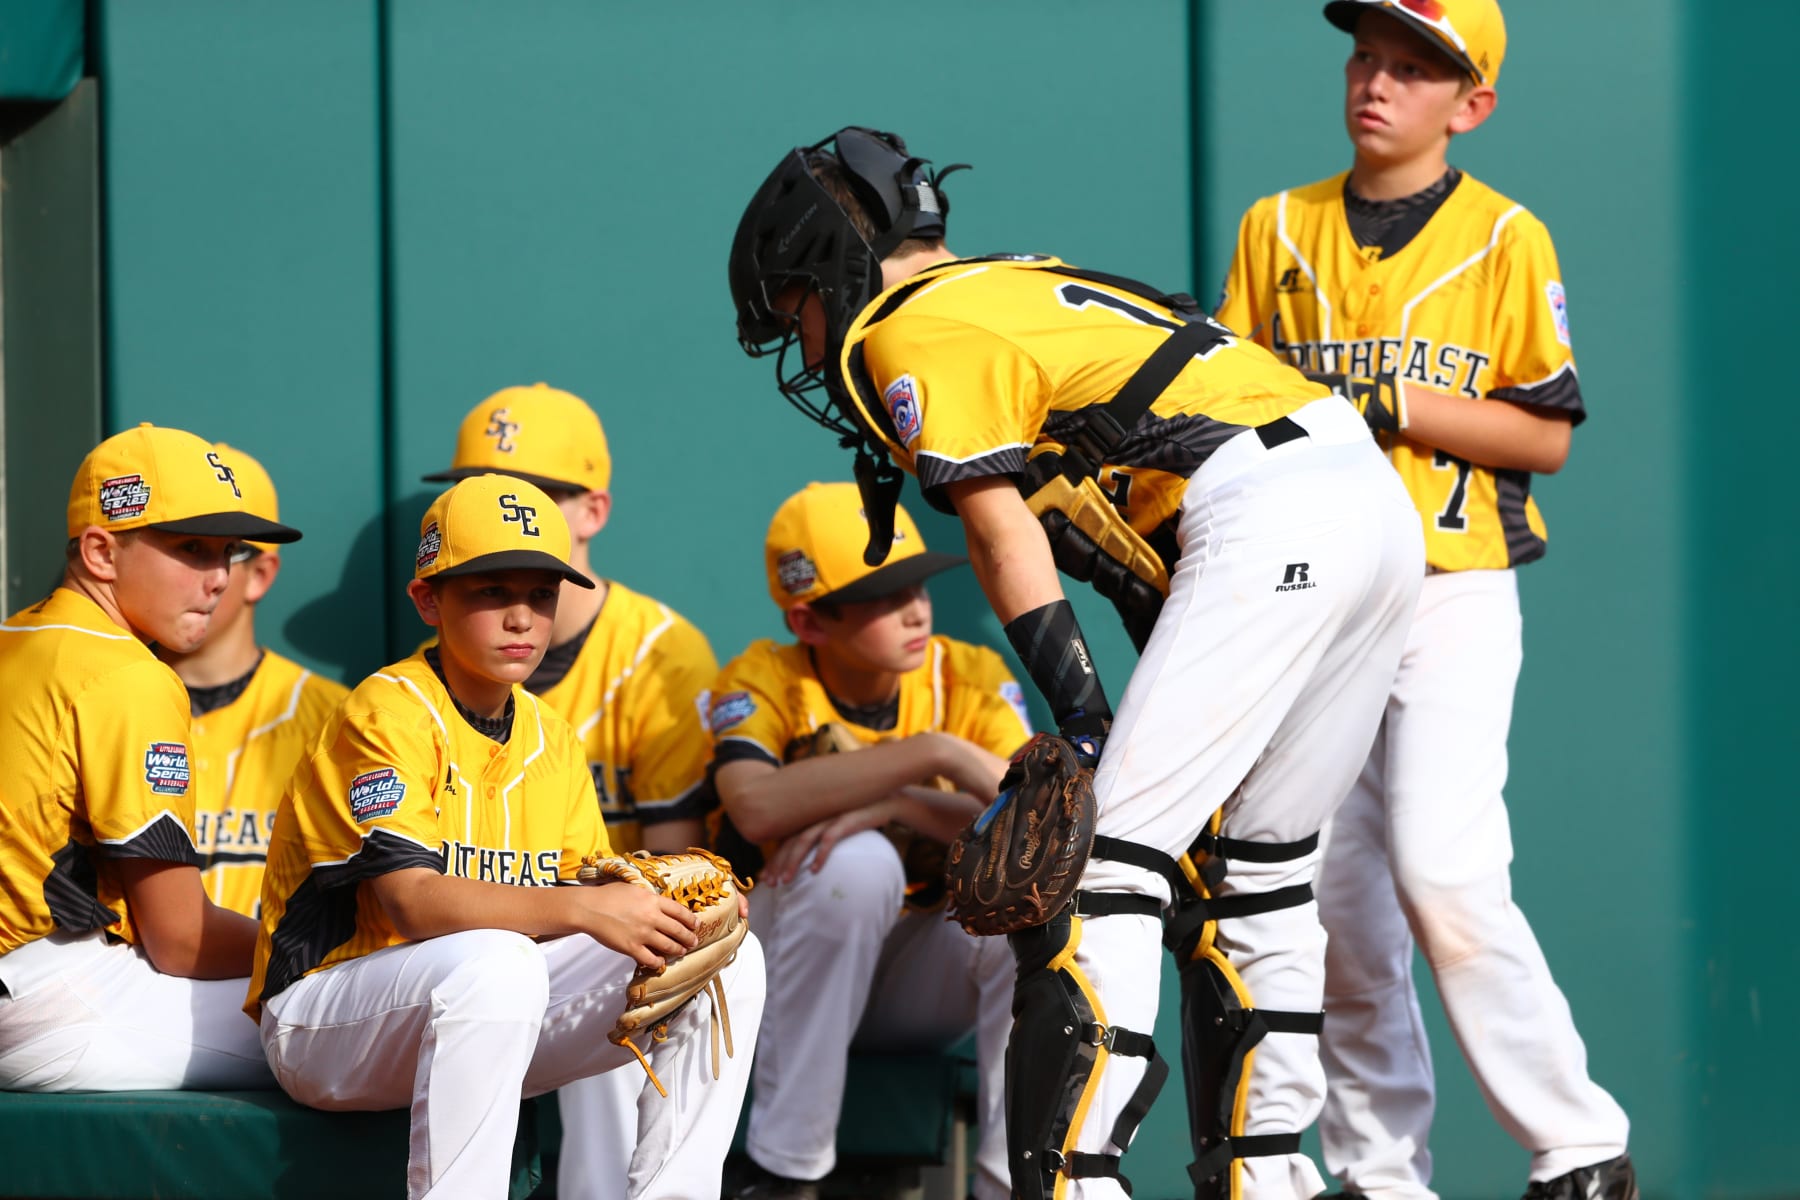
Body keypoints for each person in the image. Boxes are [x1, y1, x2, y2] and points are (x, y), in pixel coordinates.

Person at [730, 129, 1423, 1200]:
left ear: (833, 260)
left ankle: (1074, 1182)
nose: (805, 338)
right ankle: (1268, 1179)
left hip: (1264, 510)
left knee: (1097, 869)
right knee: (1256, 874)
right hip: (1369, 505)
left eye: (796, 306)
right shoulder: (1014, 288)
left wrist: (1085, 721)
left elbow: (1004, 533)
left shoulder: (902, 327)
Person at [1213, 3, 1633, 1198]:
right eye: (1367, 55)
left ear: (1471, 103)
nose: (1378, 83)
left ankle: (1580, 1141)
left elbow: (1544, 435)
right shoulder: (1274, 226)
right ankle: (1380, 1174)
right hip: (1318, 603)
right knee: (1338, 904)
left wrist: (1397, 405)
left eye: (1415, 67)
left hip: (1453, 587)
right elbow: (1228, 402)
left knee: (1445, 870)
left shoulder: (1507, 237)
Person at [245, 474, 764, 1200]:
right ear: (428, 599)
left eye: (540, 595)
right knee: (496, 961)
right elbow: (415, 906)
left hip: (481, 1008)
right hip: (328, 1014)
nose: (521, 617)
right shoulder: (386, 710)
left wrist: (671, 905)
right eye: (490, 592)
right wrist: (586, 911)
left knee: (724, 958)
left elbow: (589, 891)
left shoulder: (551, 735)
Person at [421, 383, 721, 1200]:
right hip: (485, 931)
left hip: (595, 932)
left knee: (630, 963)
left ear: (591, 511)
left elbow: (672, 856)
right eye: (477, 490)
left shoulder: (661, 650)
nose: (502, 508)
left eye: (534, 494)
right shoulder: (438, 654)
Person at [711, 482, 1029, 1200]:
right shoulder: (769, 677)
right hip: (790, 970)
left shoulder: (967, 675)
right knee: (853, 864)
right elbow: (756, 808)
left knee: (1025, 908)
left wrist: (906, 793)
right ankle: (783, 1173)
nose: (915, 607)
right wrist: (926, 758)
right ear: (809, 619)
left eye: (915, 583)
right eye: (882, 594)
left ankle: (1011, 1185)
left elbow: (1039, 824)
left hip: (920, 978)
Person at [0, 422, 299, 1091]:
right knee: (382, 1009)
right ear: (103, 553)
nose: (219, 577)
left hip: (31, 987)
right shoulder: (127, 672)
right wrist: (347, 943)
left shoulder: (15, 638)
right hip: (55, 1001)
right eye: (191, 548)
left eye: (228, 551)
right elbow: (181, 941)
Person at [156, 443, 349, 917]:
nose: (209, 573)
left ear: (260, 574)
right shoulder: (106, 701)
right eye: (186, 547)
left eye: (228, 551)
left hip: (279, 985)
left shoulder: (335, 717)